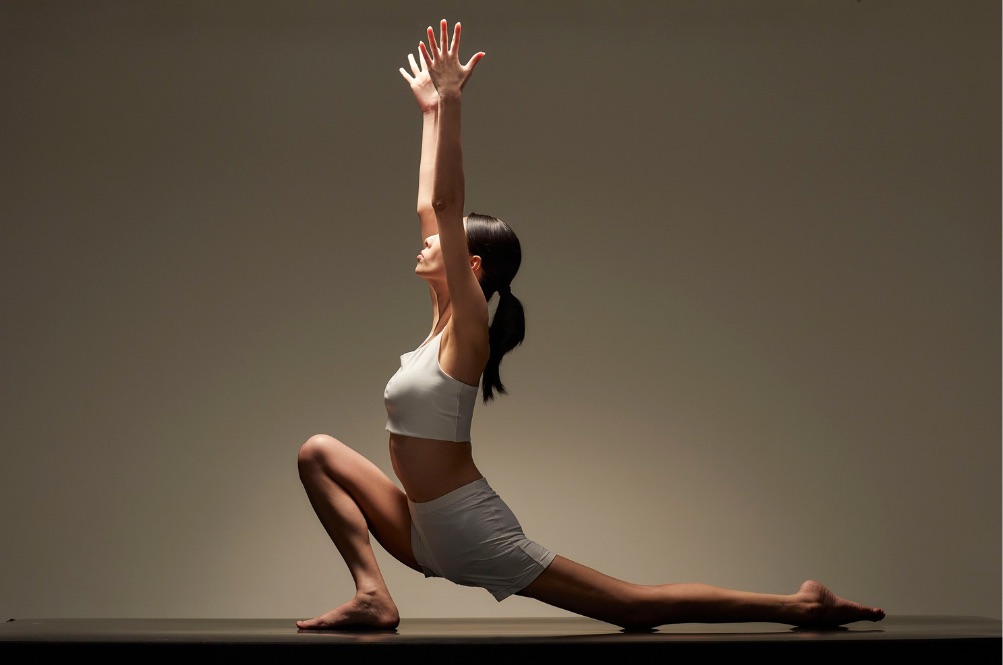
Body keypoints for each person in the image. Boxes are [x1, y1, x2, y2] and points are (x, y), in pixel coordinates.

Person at [294, 19, 886, 632]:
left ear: (471, 268)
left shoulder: (467, 327)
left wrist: (452, 101)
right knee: (319, 453)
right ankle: (373, 594)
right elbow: (430, 206)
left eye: (441, 241)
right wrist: (427, 115)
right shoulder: (441, 321)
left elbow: (444, 205)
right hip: (420, 529)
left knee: (631, 608)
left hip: (469, 529)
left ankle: (803, 606)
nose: (423, 240)